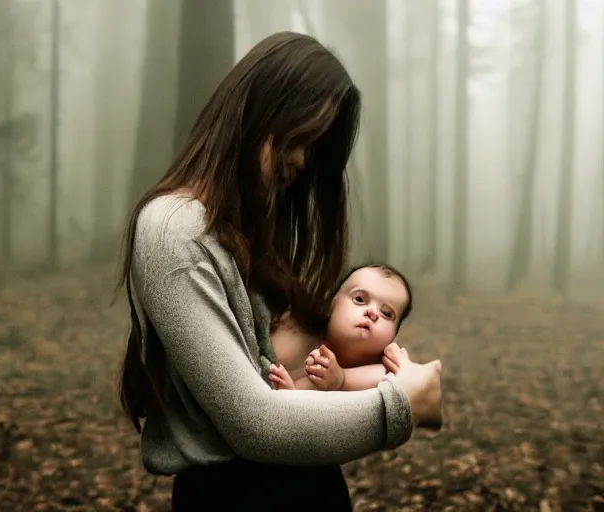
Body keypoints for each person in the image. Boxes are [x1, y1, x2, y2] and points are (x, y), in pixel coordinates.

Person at [116, 31, 443, 510]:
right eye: (299, 140)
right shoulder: (173, 229)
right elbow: (256, 425)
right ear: (258, 114)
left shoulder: (241, 229)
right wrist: (402, 406)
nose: (300, 161)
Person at [269, 263, 415, 392]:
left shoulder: (382, 368)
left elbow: (390, 378)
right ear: (331, 305)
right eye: (359, 299)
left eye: (387, 313)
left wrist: (342, 380)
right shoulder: (303, 337)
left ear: (394, 335)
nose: (372, 313)